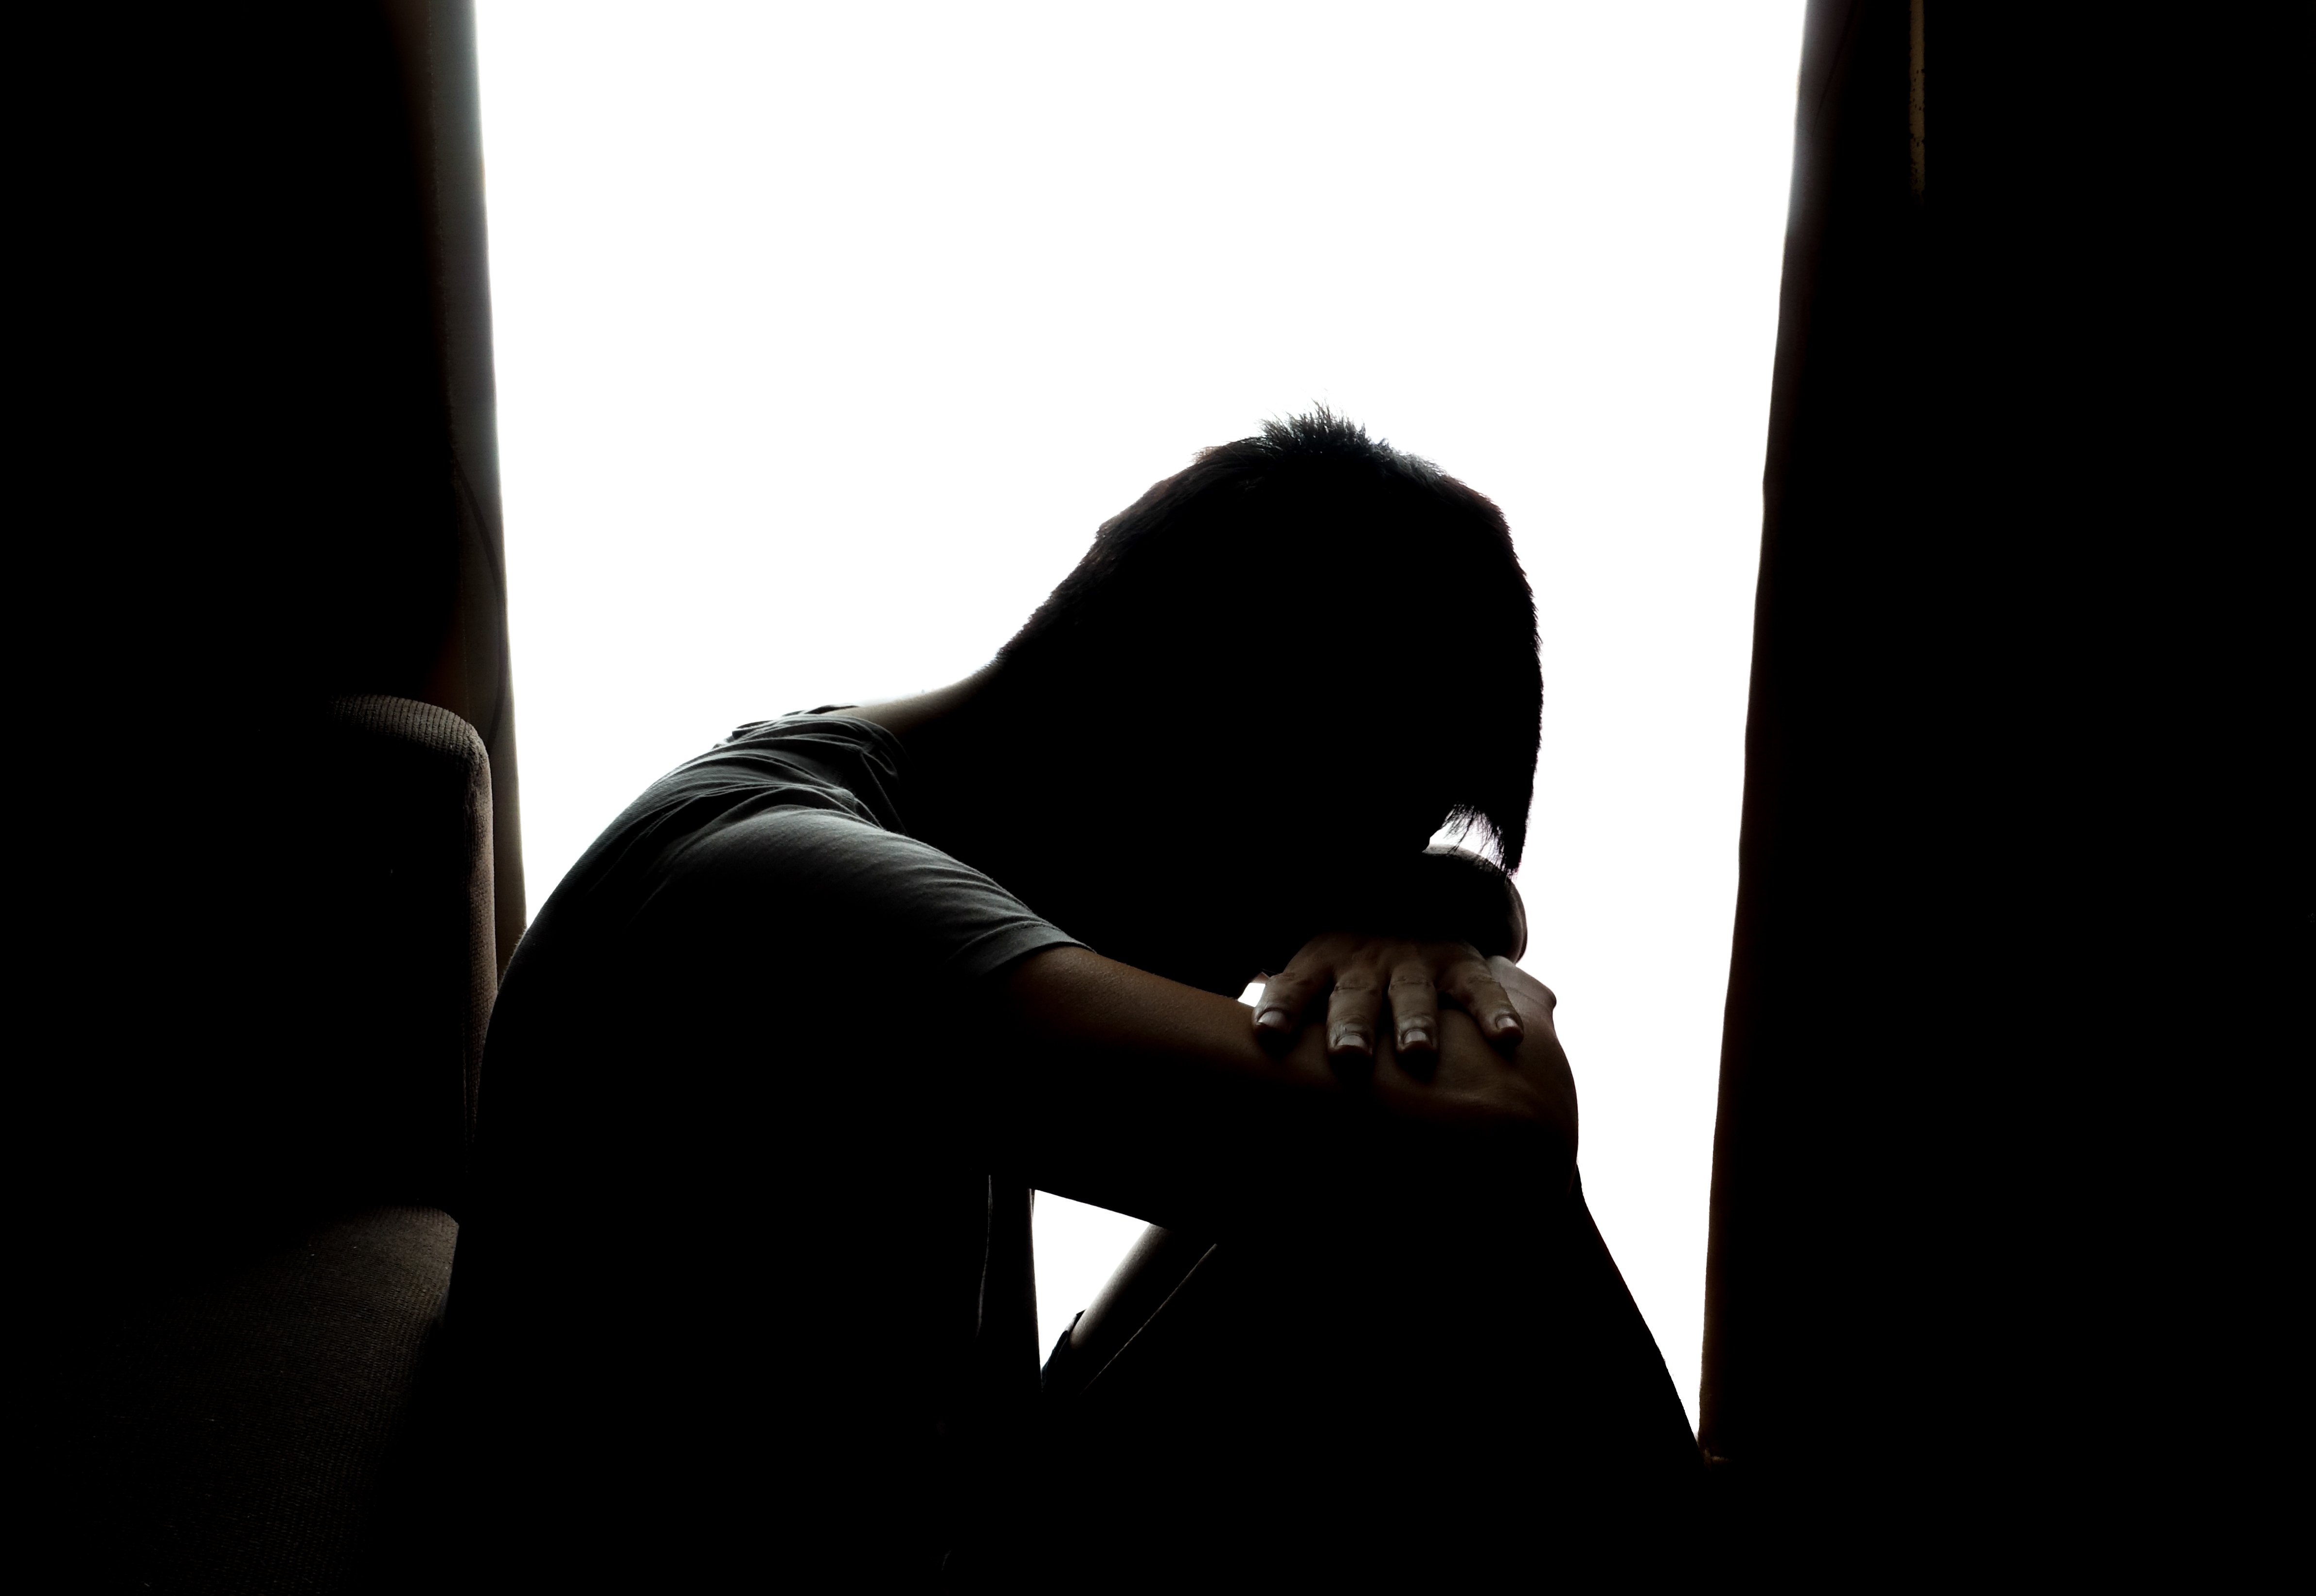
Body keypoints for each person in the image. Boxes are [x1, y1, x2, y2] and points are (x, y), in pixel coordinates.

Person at [444, 410, 1702, 1587]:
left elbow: (1449, 1030)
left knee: (1374, 1177)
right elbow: (1495, 1149)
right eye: (1309, 874)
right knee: (1450, 1212)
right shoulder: (792, 897)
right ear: (1200, 751)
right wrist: (1437, 958)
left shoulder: (874, 788)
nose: (1278, 951)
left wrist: (1424, 917)